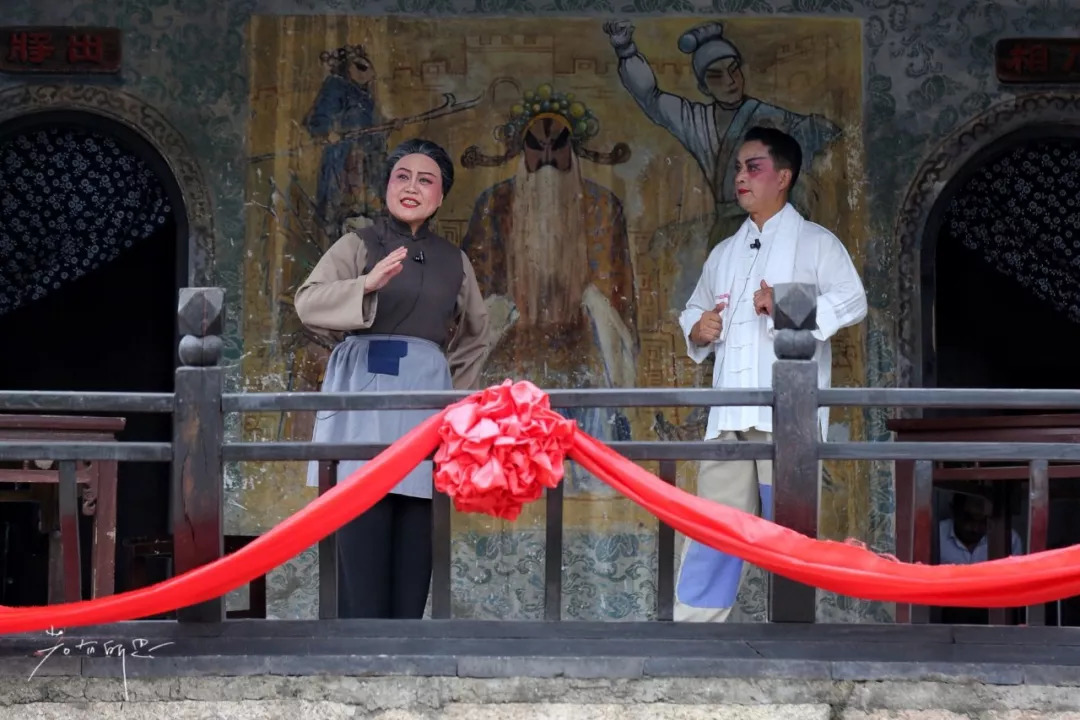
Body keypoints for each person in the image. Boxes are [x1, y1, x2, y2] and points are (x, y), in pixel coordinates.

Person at [675, 126, 867, 622]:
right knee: (713, 529)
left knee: (790, 532)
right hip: (727, 416)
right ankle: (694, 634)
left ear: (783, 177)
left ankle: (795, 634)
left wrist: (787, 305)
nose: (740, 177)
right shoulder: (724, 253)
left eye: (752, 167)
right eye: (738, 168)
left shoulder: (815, 243)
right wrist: (698, 330)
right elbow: (693, 312)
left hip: (787, 420)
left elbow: (853, 300)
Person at [294, 138, 490, 619]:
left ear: (441, 196)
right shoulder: (358, 244)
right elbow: (307, 302)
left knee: (417, 521)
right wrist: (365, 286)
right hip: (364, 392)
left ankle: (405, 641)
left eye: (426, 180)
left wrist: (453, 398)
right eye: (402, 176)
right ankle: (358, 643)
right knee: (363, 510)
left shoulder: (454, 260)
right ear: (387, 187)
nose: (412, 187)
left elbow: (475, 337)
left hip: (424, 402)